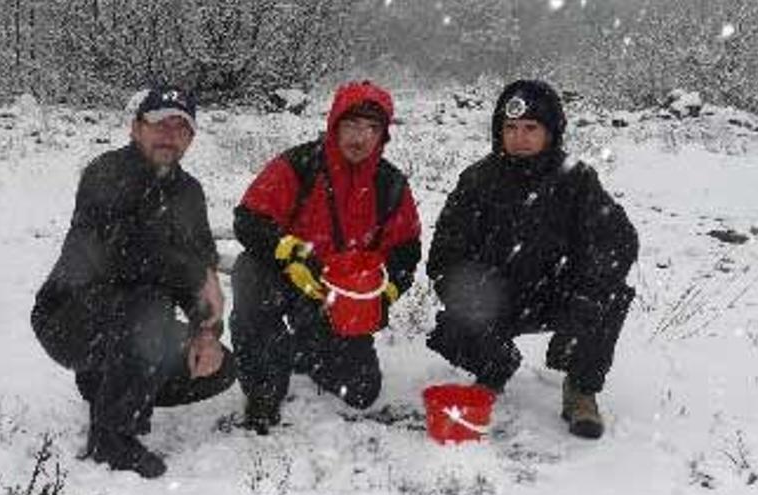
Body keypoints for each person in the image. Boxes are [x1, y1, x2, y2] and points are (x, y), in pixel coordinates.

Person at [31, 85, 236, 478]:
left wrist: (207, 330)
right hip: (66, 317)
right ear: (136, 128)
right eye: (159, 123)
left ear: (191, 139)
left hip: (132, 319)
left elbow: (200, 273)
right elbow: (122, 256)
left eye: (181, 127)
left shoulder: (189, 193)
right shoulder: (105, 173)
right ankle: (112, 436)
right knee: (150, 307)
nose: (169, 134)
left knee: (221, 367)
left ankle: (104, 385)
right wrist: (192, 270)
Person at [426, 80, 638, 439]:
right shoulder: (477, 180)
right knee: (453, 325)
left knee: (611, 296)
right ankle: (494, 368)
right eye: (510, 128)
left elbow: (618, 241)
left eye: (530, 129)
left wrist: (588, 294)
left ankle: (581, 390)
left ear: (551, 133)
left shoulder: (577, 179)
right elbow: (444, 255)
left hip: (556, 294)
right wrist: (467, 294)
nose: (519, 137)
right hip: (494, 297)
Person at [231, 80, 422, 434]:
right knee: (250, 274)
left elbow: (406, 250)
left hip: (340, 301)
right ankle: (262, 387)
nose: (359, 138)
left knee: (362, 391)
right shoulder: (299, 165)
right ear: (334, 124)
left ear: (383, 135)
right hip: (287, 279)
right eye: (351, 125)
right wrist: (290, 254)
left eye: (371, 128)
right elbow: (249, 219)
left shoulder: (391, 184)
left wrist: (387, 293)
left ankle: (302, 348)